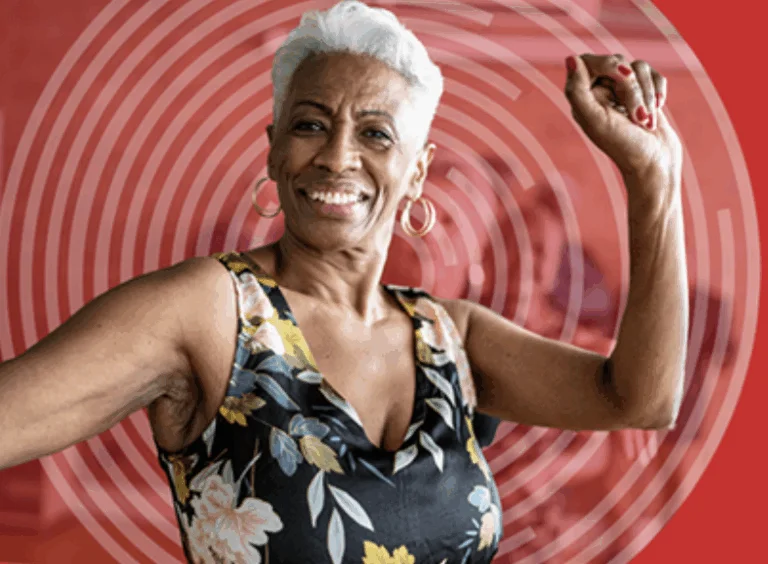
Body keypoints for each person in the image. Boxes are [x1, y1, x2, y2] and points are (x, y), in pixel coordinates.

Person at [0, 1, 688, 562]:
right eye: (310, 125)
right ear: (274, 148)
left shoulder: (452, 337)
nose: (336, 157)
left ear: (417, 170)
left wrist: (653, 180)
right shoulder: (209, 313)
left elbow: (640, 397)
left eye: (376, 135)